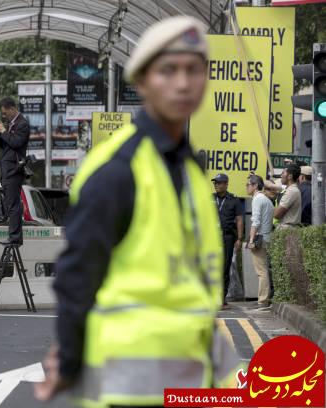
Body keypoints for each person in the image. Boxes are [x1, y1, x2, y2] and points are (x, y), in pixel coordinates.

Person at [34, 16, 239, 407]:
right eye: (168, 71)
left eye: (194, 71)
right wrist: (71, 362)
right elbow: (77, 275)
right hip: (123, 388)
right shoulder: (117, 169)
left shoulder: (191, 172)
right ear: (142, 82)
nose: (183, 83)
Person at [0, 97, 30, 245]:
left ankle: (14, 237)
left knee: (13, 205)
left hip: (14, 169)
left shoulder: (22, 124)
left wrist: (4, 131)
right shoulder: (11, 124)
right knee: (10, 204)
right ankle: (14, 236)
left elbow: (16, 142)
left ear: (13, 109)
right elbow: (8, 147)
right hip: (8, 169)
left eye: (5, 113)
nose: (4, 116)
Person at [211, 173, 243, 306]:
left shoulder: (233, 200)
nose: (216, 185)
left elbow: (239, 219)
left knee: (225, 267)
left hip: (227, 237)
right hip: (211, 238)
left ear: (226, 184)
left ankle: (221, 297)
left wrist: (239, 238)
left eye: (219, 183)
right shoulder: (209, 199)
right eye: (215, 183)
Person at [246, 175, 274, 308]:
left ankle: (263, 301)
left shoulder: (257, 199)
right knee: (264, 270)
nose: (246, 187)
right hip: (267, 237)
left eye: (248, 185)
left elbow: (255, 221)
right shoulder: (267, 199)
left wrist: (251, 239)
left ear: (255, 185)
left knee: (261, 271)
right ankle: (263, 299)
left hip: (259, 238)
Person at [273, 163, 302, 229]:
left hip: (287, 229)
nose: (281, 175)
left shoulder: (291, 191)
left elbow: (276, 214)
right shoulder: (290, 189)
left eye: (283, 173)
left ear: (290, 176)